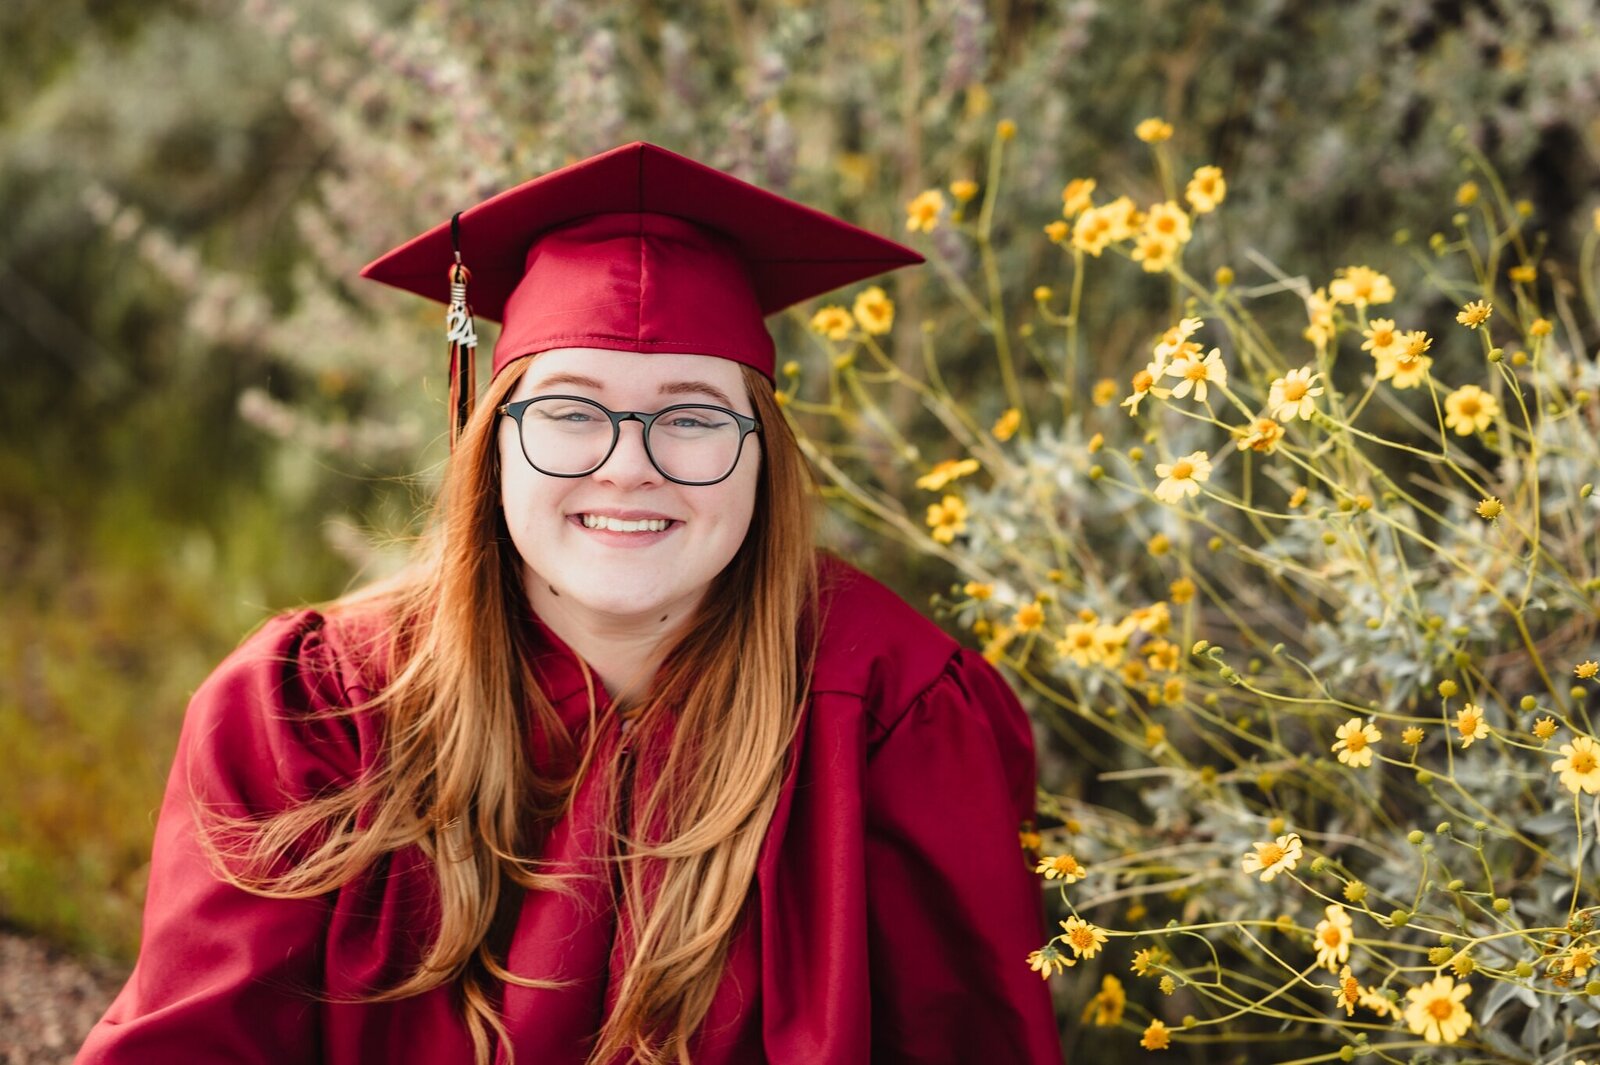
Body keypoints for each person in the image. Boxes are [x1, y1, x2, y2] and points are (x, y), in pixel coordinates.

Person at [76, 142, 1062, 1065]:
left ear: (764, 455)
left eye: (689, 417)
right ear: (490, 442)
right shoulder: (313, 712)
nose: (627, 467)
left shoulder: (898, 713)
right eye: (569, 412)